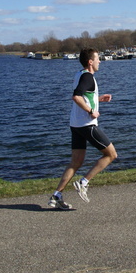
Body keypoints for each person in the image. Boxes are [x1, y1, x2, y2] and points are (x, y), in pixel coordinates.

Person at [48, 48, 118, 210]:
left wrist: (98, 99)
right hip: (87, 125)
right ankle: (83, 182)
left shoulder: (80, 74)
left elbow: (84, 96)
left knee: (75, 162)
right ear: (90, 62)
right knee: (111, 154)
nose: (100, 61)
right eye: (98, 58)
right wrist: (91, 111)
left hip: (75, 125)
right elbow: (76, 96)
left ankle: (56, 195)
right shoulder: (88, 76)